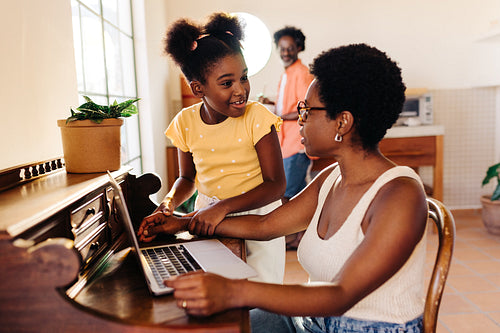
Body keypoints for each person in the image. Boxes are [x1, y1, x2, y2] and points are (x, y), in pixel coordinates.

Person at [139, 43, 429, 332]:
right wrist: (181, 223)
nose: (299, 122)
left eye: (306, 111)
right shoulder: (331, 178)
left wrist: (233, 292)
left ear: (342, 122)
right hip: (317, 324)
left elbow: (340, 296)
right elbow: (266, 225)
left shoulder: (400, 196)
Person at [143, 12, 287, 284]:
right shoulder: (184, 122)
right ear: (198, 88)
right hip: (208, 217)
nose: (240, 90)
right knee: (220, 288)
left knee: (261, 292)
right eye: (226, 83)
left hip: (259, 214)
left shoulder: (257, 117)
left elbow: (276, 184)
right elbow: (187, 178)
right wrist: (169, 203)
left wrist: (223, 208)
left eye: (243, 77)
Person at [260, 26, 314, 249]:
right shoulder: (286, 74)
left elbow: (305, 108)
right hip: (286, 144)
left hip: (296, 144)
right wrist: (271, 105)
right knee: (293, 193)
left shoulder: (302, 73)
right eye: (282, 48)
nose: (285, 52)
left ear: (299, 48)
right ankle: (299, 237)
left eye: (290, 48)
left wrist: (278, 114)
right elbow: (289, 105)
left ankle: (295, 238)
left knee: (289, 195)